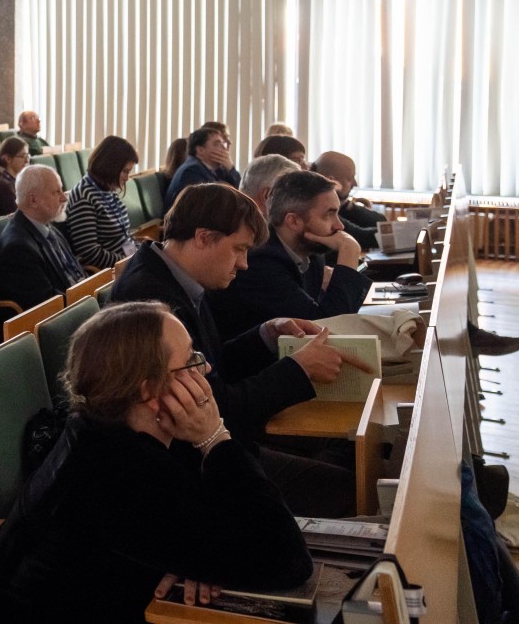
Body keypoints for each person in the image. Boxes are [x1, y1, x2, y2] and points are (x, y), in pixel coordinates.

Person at [0, 301, 312, 623]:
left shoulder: (105, 426)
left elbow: (206, 515)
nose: (205, 369)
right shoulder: (119, 471)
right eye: (189, 361)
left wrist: (199, 560)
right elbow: (287, 560)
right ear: (148, 390)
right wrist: (214, 436)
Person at [111, 182, 362, 517]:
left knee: (347, 447)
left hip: (218, 438)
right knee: (348, 487)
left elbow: (213, 366)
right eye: (238, 249)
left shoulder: (176, 276)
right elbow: (213, 406)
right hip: (191, 463)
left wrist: (265, 335)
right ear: (203, 237)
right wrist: (297, 370)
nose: (244, 264)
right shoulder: (153, 301)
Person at [209, 171, 373, 338]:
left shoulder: (311, 254)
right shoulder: (261, 263)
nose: (339, 226)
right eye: (329, 215)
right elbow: (326, 329)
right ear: (293, 221)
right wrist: (349, 252)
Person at [0, 165, 88, 309]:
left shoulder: (48, 226)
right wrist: (88, 298)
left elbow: (75, 272)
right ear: (33, 200)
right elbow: (47, 304)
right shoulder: (18, 249)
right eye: (56, 192)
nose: (64, 198)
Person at [65, 135, 141, 269]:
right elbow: (90, 253)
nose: (127, 178)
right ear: (110, 166)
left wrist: (140, 253)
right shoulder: (84, 196)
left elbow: (124, 237)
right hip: (112, 271)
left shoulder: (108, 190)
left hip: (127, 264)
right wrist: (129, 262)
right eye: (125, 171)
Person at [309, 150, 384, 250]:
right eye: (349, 179)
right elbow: (362, 237)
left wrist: (348, 206)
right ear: (331, 180)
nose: (355, 184)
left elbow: (380, 221)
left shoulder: (338, 205)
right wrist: (403, 231)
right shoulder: (317, 206)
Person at [164, 126, 240, 208]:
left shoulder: (217, 170)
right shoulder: (191, 170)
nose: (224, 148)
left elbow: (240, 190)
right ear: (200, 150)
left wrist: (230, 168)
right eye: (217, 144)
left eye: (223, 144)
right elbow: (212, 202)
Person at [0, 136, 30, 216]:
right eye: (23, 156)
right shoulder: (3, 186)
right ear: (8, 159)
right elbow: (19, 215)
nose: (27, 161)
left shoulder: (18, 180)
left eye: (27, 156)